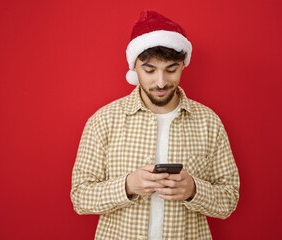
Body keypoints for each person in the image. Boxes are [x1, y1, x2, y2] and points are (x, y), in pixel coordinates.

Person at [71, 10, 239, 240]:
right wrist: (127, 185)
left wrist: (193, 190)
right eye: (150, 70)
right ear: (135, 68)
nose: (161, 82)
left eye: (171, 70)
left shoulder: (208, 122)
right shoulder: (104, 120)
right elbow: (80, 198)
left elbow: (229, 199)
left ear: (183, 66)